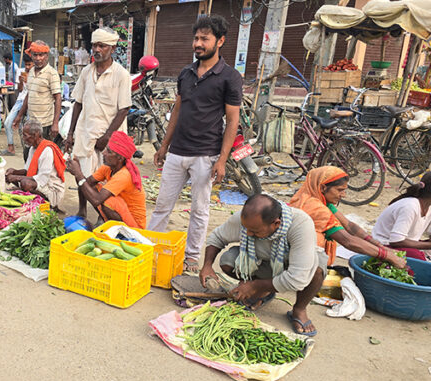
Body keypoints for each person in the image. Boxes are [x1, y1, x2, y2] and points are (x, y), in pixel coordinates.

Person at [148, 15, 243, 275]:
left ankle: (191, 257)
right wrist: (164, 145)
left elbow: (232, 121)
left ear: (220, 41)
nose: (198, 44)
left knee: (199, 211)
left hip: (205, 155)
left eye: (205, 39)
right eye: (196, 38)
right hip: (177, 152)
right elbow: (177, 110)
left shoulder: (230, 77)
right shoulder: (186, 73)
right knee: (161, 206)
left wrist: (223, 160)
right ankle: (150, 248)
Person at [200, 194, 324, 336]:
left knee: (317, 270)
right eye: (246, 228)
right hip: (265, 261)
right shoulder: (248, 219)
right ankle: (264, 291)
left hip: (294, 264)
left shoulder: (300, 224)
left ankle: (299, 310)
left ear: (276, 224)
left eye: (254, 231)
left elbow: (297, 278)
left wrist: (254, 286)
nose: (247, 233)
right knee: (228, 261)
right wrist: (207, 265)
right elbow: (217, 237)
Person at [64, 27, 132, 219]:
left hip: (110, 139)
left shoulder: (121, 75)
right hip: (86, 131)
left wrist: (107, 136)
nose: (97, 49)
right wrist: (70, 134)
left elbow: (124, 109)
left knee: (106, 179)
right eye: (94, 45)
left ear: (112, 48)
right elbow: (77, 103)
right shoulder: (87, 72)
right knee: (82, 174)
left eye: (101, 46)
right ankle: (82, 209)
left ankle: (105, 214)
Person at [289, 166, 406, 269]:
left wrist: (379, 246)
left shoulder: (321, 201)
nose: (343, 195)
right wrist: (386, 256)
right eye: (340, 190)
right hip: (297, 260)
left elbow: (349, 226)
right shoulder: (315, 207)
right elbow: (347, 240)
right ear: (323, 188)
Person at [65, 132, 146, 228]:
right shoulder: (108, 168)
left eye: (108, 151)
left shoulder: (124, 175)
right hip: (124, 213)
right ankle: (84, 214)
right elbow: (86, 184)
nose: (104, 153)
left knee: (107, 202)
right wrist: (77, 172)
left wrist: (78, 174)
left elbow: (96, 200)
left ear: (120, 158)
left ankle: (120, 231)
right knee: (90, 187)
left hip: (135, 226)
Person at [5, 120, 66, 209]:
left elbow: (42, 179)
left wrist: (16, 177)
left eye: (25, 136)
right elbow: (27, 171)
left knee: (25, 183)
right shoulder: (33, 148)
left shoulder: (47, 151)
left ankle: (48, 203)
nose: (23, 138)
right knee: (12, 174)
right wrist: (14, 172)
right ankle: (31, 196)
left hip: (52, 189)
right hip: (40, 183)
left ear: (36, 135)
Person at [372, 172, 431, 260]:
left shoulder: (428, 207)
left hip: (405, 244)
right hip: (384, 245)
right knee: (418, 258)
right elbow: (396, 241)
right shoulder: (410, 206)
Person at [12, 40, 61, 142]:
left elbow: (58, 98)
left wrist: (55, 123)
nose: (38, 58)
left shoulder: (52, 73)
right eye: (35, 55)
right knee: (28, 155)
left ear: (46, 56)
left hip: (45, 124)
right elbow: (29, 95)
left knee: (43, 154)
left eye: (41, 55)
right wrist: (19, 116)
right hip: (31, 123)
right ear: (31, 56)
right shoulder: (30, 72)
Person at [2, 55, 33, 159]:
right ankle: (10, 147)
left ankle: (30, 149)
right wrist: (21, 81)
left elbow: (33, 90)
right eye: (26, 65)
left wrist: (28, 81)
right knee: (7, 122)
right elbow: (20, 90)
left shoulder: (36, 74)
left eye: (29, 64)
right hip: (21, 100)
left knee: (28, 126)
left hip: (32, 101)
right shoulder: (21, 72)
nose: (27, 67)